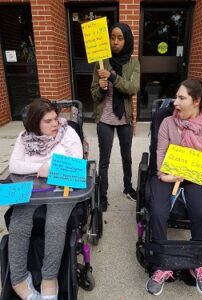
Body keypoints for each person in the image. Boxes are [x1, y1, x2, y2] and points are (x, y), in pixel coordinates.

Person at [146, 79, 202, 296]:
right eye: (176, 97)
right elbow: (160, 154)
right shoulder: (167, 123)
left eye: (181, 98)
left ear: (196, 102)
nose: (175, 102)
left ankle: (198, 264)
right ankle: (162, 265)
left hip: (194, 175)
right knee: (157, 211)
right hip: (168, 174)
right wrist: (165, 176)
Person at [8, 98, 83, 300]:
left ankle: (50, 277)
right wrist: (40, 168)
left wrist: (50, 168)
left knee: (55, 224)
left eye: (55, 119)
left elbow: (77, 163)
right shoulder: (25, 137)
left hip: (63, 187)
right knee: (18, 224)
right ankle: (18, 279)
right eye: (48, 121)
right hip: (33, 188)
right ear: (35, 124)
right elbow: (14, 165)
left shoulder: (68, 134)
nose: (54, 124)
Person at [91, 22, 140, 211]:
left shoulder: (134, 63)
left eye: (120, 38)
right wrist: (102, 89)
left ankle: (128, 187)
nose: (115, 42)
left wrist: (112, 78)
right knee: (105, 159)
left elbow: (132, 88)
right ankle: (103, 194)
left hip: (124, 118)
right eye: (112, 37)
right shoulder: (101, 61)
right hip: (105, 119)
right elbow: (94, 93)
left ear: (126, 40)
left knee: (126, 156)